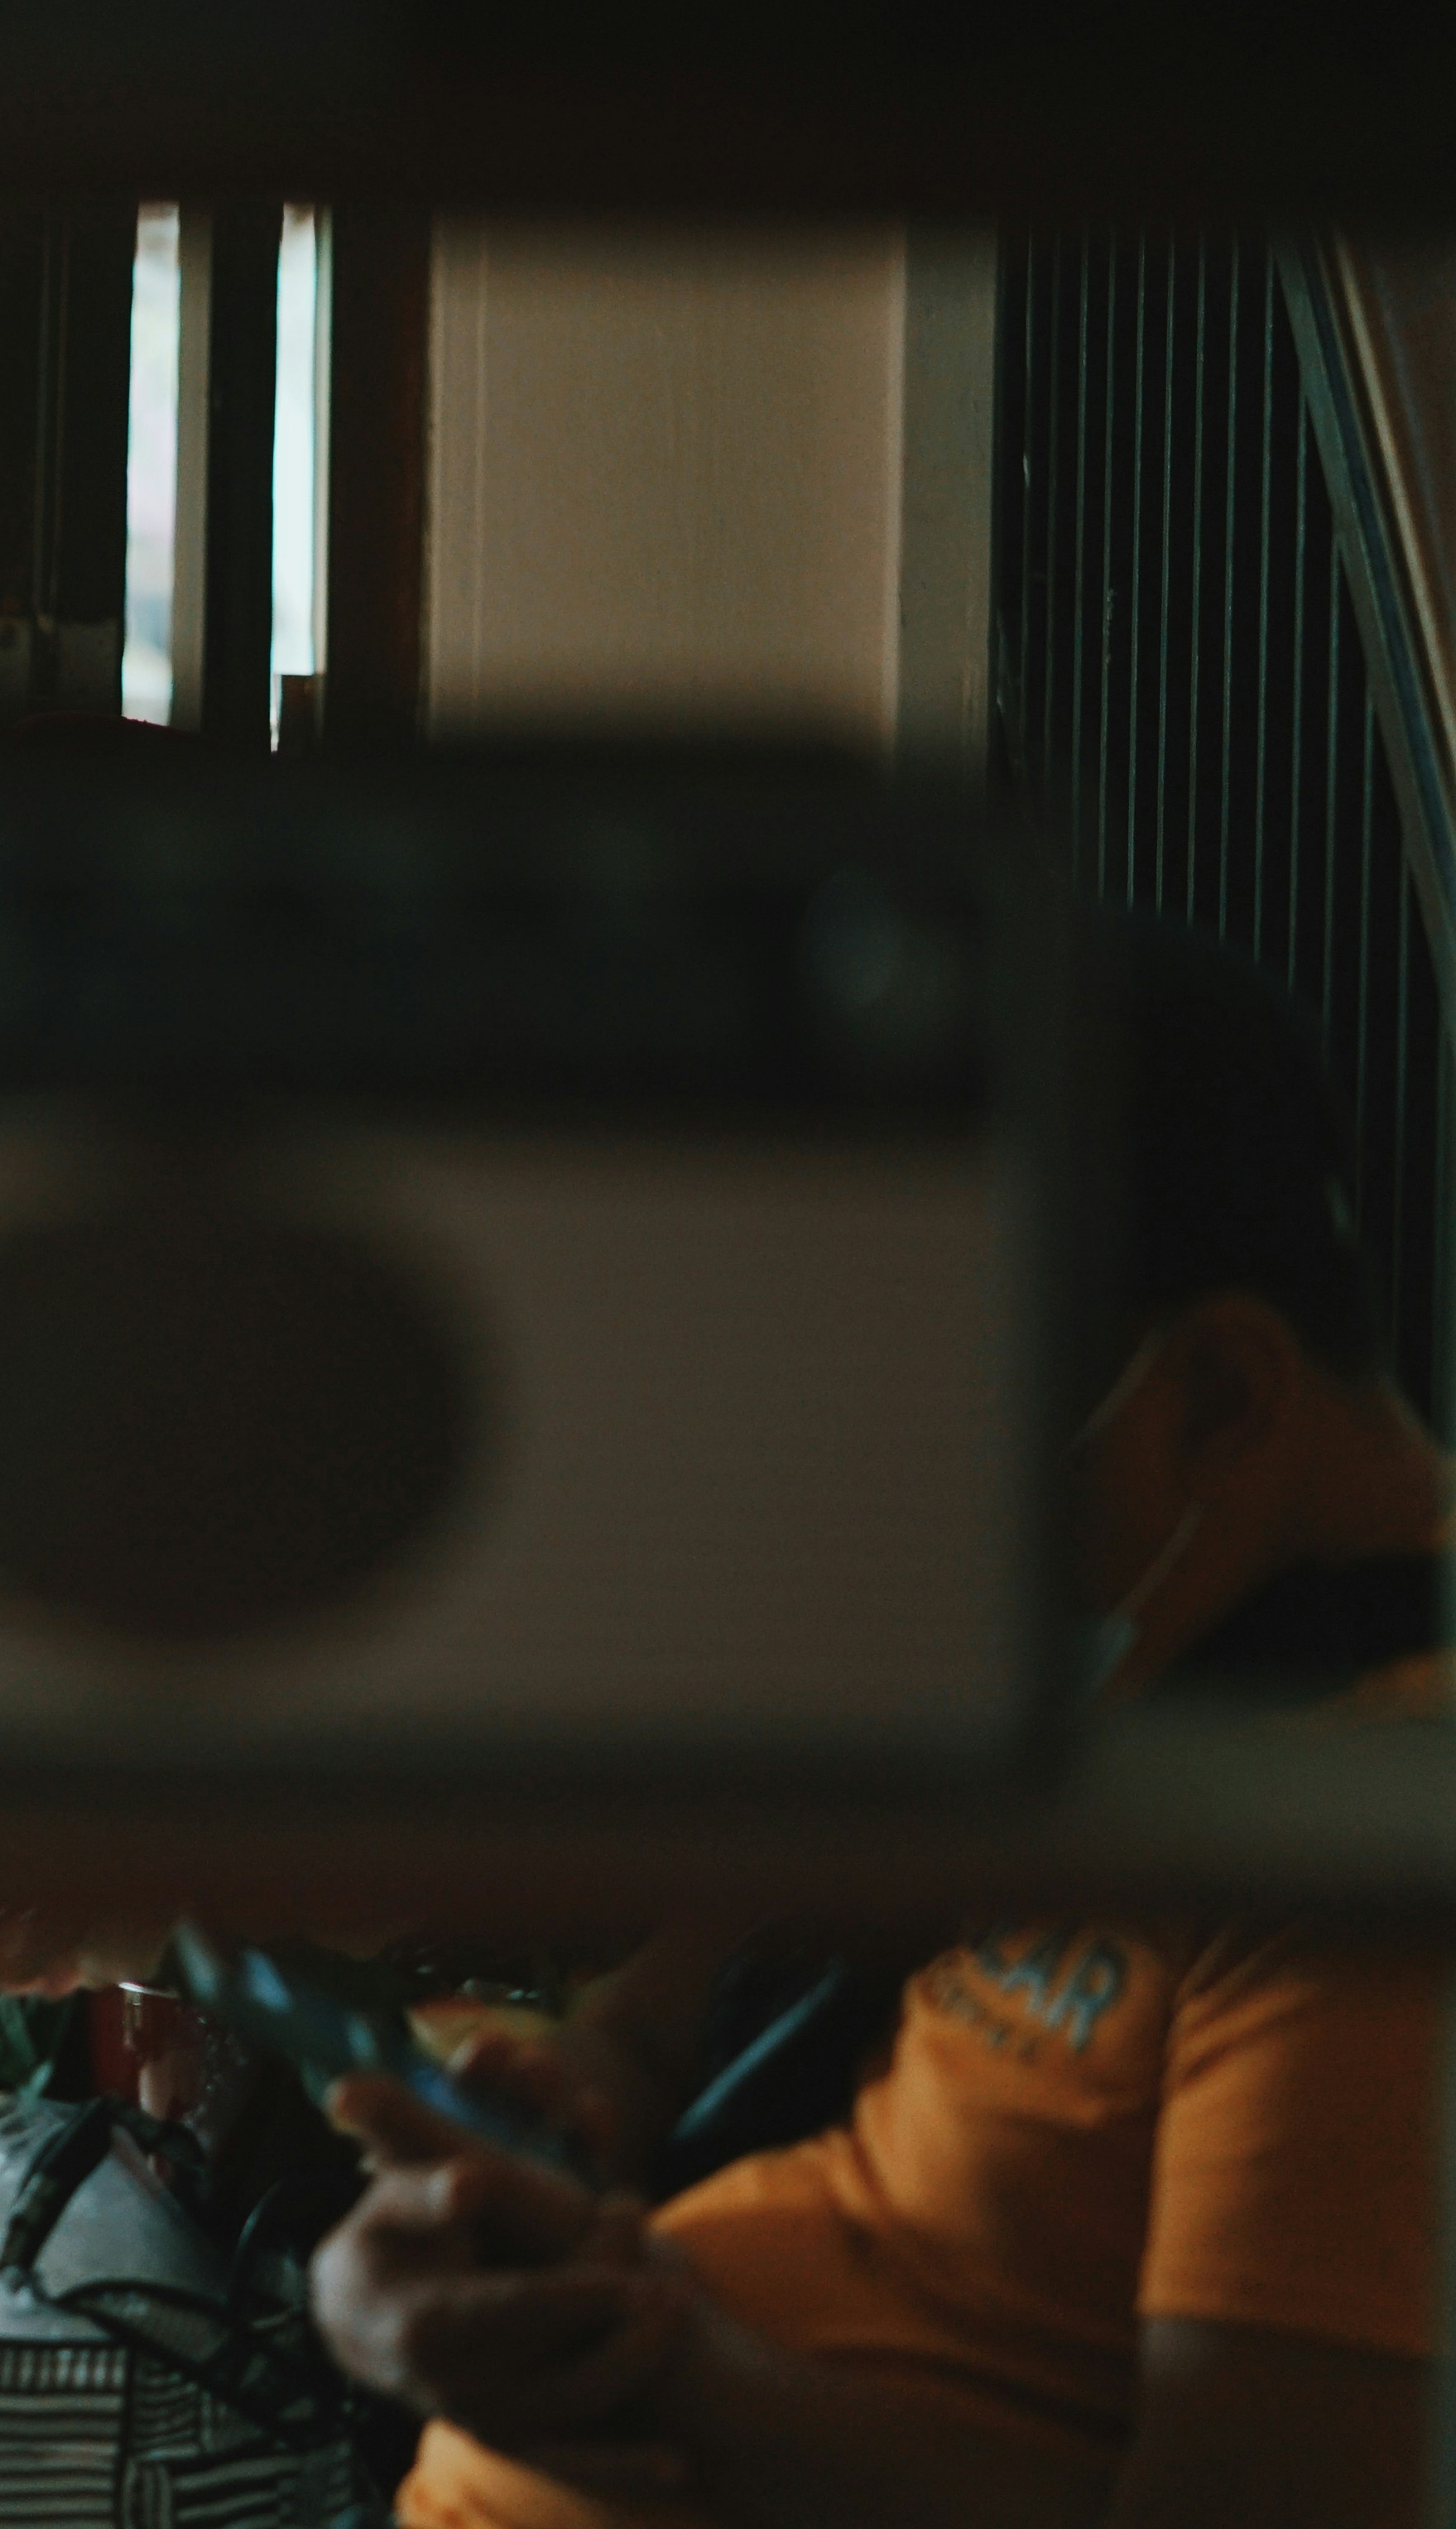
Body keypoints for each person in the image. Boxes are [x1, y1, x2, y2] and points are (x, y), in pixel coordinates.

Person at [313, 927, 1443, 2528]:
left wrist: (640, 2358)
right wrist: (509, 2181)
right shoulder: (1060, 1683)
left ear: (1223, 1397)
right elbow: (649, 2038)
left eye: (942, 1455)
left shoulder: (1371, 1840)